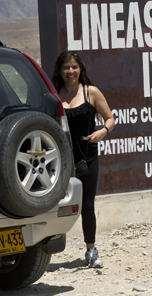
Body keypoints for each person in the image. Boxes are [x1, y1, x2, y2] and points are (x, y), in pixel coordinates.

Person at [51, 50, 115, 268]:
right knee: (52, 206)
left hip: (87, 158)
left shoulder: (91, 92)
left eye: (74, 67)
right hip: (60, 161)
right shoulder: (53, 94)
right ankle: (42, 254)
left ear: (80, 69)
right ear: (59, 71)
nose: (71, 71)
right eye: (66, 67)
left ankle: (91, 250)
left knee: (87, 205)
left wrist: (102, 132)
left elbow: (110, 118)